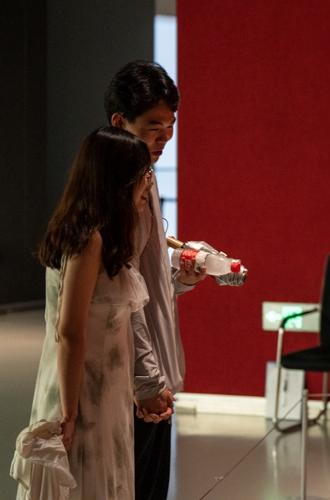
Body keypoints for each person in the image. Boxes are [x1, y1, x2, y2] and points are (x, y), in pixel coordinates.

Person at [11, 127, 154, 499]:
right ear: (118, 181)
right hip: (81, 393)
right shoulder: (88, 239)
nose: (148, 182)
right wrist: (69, 413)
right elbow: (71, 331)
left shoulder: (107, 238)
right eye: (142, 173)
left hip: (107, 394)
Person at [105, 60, 207, 499]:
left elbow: (144, 283)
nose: (164, 137)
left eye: (170, 126)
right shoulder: (113, 190)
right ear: (119, 123)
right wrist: (147, 380)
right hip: (127, 372)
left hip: (149, 367)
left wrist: (181, 277)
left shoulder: (144, 176)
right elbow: (117, 293)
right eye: (153, 126)